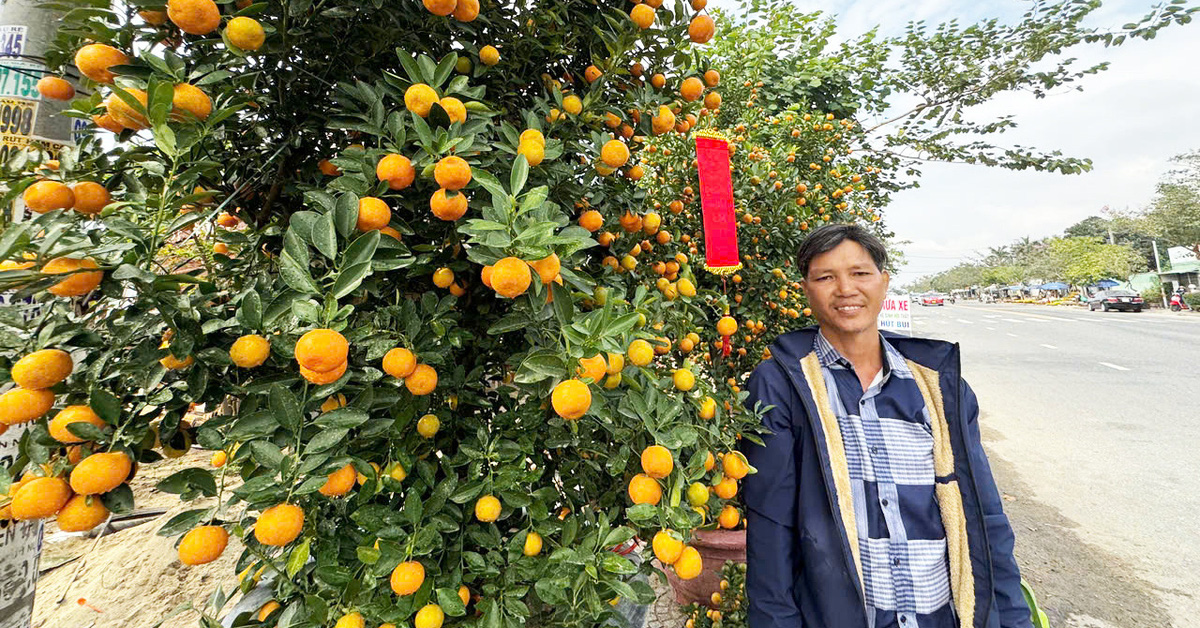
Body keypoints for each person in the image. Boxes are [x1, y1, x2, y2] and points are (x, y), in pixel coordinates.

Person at [739, 224, 1031, 628]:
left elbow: (984, 516)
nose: (845, 289)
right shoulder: (783, 385)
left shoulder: (938, 387)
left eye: (860, 273)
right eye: (826, 277)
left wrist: (1013, 618)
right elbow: (771, 525)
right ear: (806, 289)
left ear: (884, 281)